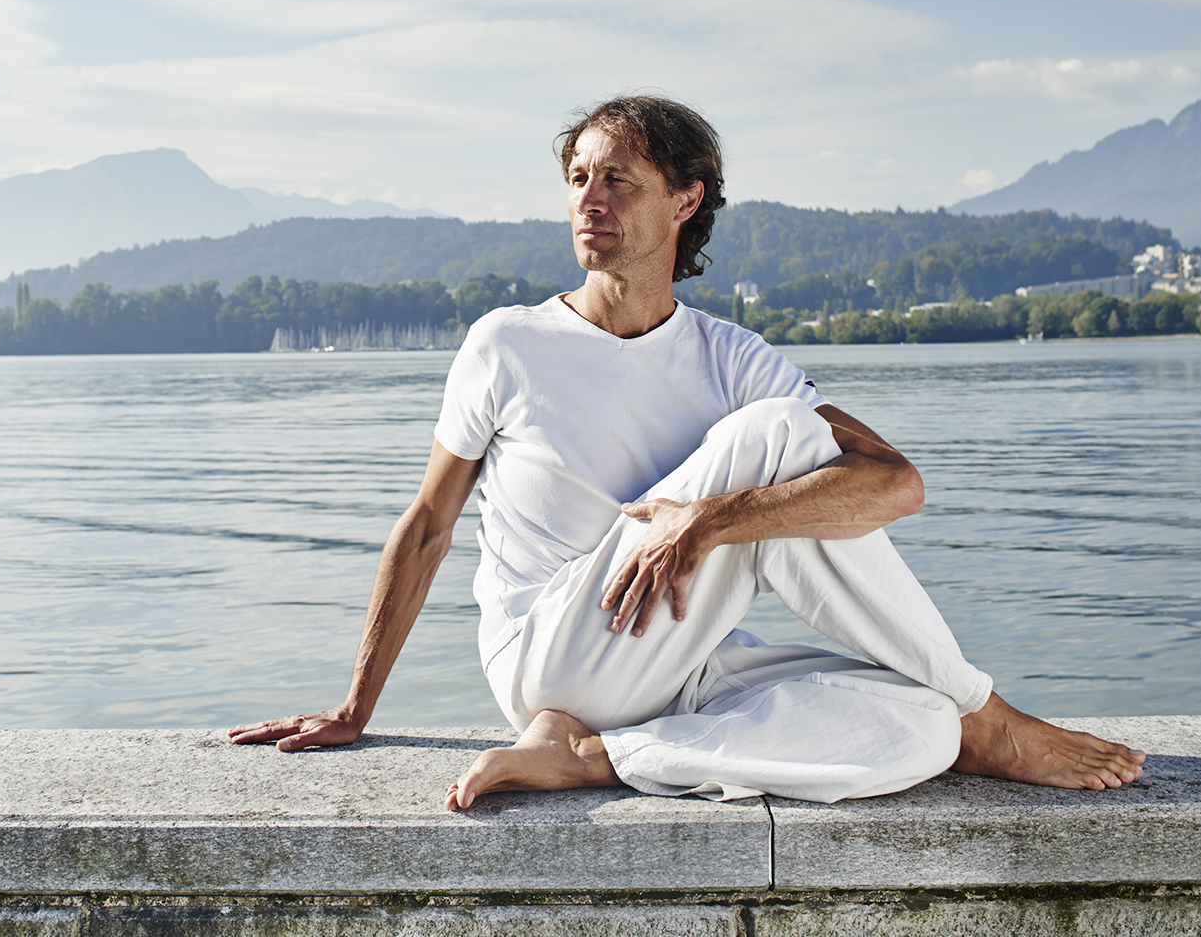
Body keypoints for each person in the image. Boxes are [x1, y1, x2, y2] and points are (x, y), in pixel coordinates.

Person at [230, 96, 1146, 808]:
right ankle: (994, 717)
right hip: (550, 649)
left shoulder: (730, 355)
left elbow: (895, 484)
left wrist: (708, 521)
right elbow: (430, 523)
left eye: (617, 180)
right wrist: (355, 706)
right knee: (778, 435)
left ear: (685, 199)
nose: (588, 200)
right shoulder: (507, 342)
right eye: (578, 178)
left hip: (673, 659)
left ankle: (603, 756)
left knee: (923, 727)